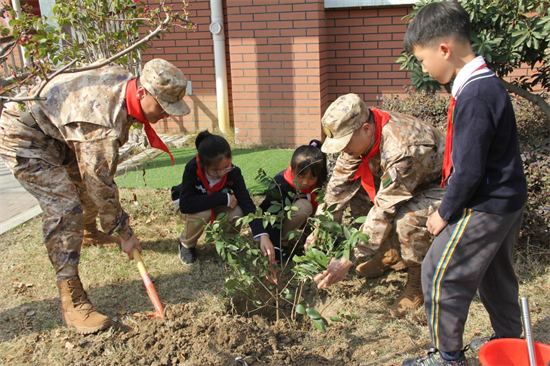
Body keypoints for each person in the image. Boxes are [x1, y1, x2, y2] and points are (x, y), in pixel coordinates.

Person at [0, 58, 190, 334]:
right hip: (25, 134)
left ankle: (88, 232)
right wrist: (124, 232)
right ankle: (72, 301)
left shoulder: (125, 87)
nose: (166, 114)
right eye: (162, 105)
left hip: (58, 131)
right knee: (65, 208)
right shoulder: (102, 119)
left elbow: (94, 181)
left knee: (84, 189)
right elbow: (100, 183)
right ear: (142, 93)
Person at [401, 2, 527, 366]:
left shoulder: (474, 95)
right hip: (506, 198)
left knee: (440, 272)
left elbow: (469, 170)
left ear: (444, 49)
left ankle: (447, 357)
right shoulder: (484, 84)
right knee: (494, 272)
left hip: (485, 203)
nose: (423, 67)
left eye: (422, 59)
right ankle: (509, 341)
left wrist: (445, 212)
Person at [308, 93, 446, 318]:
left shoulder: (403, 148)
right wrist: (320, 227)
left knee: (407, 220)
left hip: (440, 184)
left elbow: (384, 209)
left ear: (366, 129)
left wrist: (349, 257)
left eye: (344, 143)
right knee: (359, 193)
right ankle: (389, 254)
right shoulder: (362, 136)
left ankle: (417, 283)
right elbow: (338, 186)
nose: (343, 150)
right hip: (406, 180)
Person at [171, 131, 277, 274]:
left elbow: (246, 202)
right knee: (204, 211)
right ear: (203, 165)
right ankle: (186, 244)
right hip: (187, 204)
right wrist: (222, 198)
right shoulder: (192, 168)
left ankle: (229, 243)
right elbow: (186, 204)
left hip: (213, 204)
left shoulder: (233, 172)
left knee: (238, 210)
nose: (222, 173)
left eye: (227, 166)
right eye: (215, 171)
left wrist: (261, 233)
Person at [258, 140, 327, 263]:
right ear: (291, 166)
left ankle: (315, 240)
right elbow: (271, 217)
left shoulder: (321, 182)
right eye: (301, 176)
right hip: (278, 222)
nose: (306, 182)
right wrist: (276, 248)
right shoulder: (280, 185)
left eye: (312, 177)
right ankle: (282, 243)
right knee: (303, 206)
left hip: (307, 218)